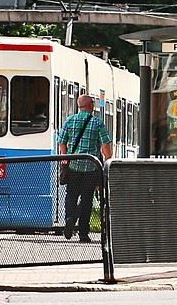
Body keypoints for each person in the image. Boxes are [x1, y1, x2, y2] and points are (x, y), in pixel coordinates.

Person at [56, 92, 112, 243]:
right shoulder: (97, 123)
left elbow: (61, 141)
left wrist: (64, 157)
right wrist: (108, 160)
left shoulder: (70, 120)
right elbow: (105, 145)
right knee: (87, 199)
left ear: (79, 107)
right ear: (91, 106)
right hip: (91, 167)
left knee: (71, 195)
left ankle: (69, 217)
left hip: (73, 165)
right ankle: (83, 233)